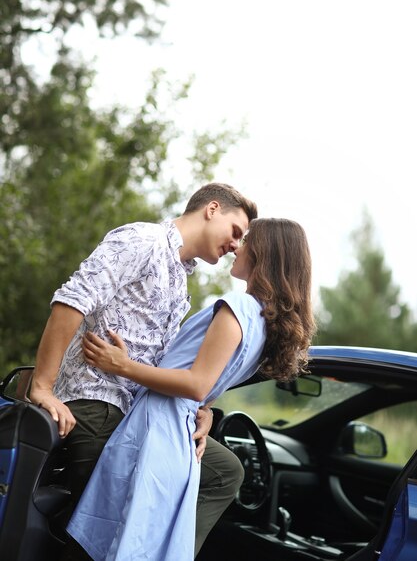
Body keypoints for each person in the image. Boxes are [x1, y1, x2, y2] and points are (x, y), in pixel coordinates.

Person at [29, 182, 258, 559]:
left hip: (142, 415)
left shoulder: (181, 280)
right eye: (236, 232)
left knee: (224, 472)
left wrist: (200, 408)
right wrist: (42, 386)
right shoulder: (141, 241)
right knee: (97, 538)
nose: (237, 244)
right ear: (212, 209)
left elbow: (165, 362)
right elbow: (71, 301)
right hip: (98, 403)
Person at [67, 217, 316, 561]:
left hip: (155, 431)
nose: (237, 248)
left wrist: (122, 366)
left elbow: (197, 383)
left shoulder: (239, 308)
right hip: (176, 437)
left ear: (265, 252)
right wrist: (207, 410)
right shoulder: (264, 325)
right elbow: (208, 387)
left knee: (107, 542)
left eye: (248, 241)